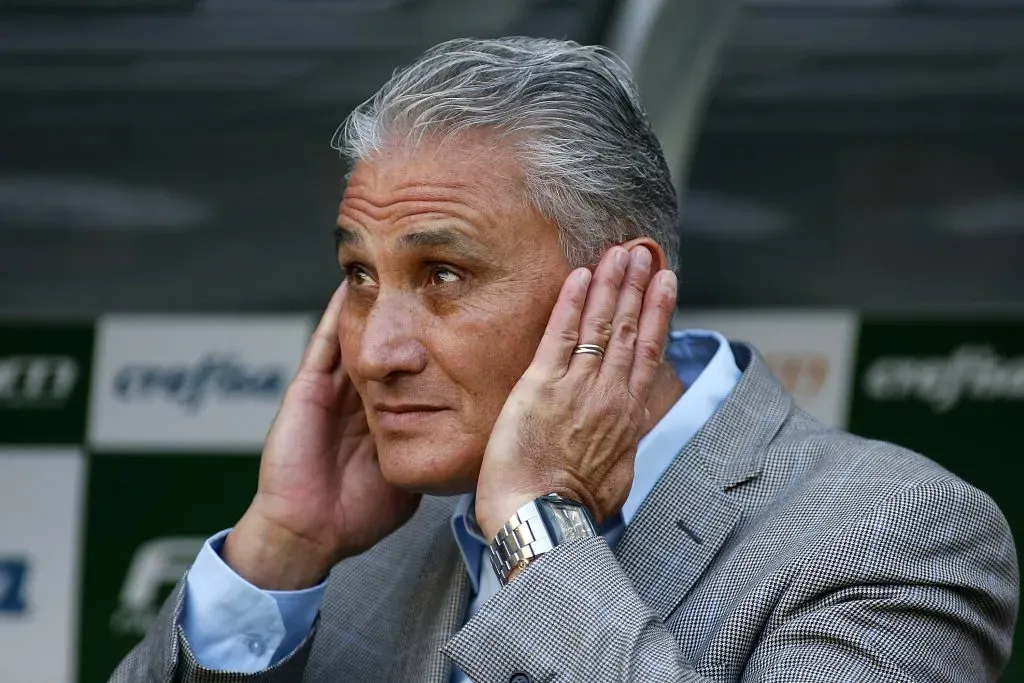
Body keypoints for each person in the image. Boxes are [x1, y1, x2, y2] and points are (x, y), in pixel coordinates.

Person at [110, 37, 1018, 683]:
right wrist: (283, 549)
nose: (376, 350)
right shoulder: (360, 544)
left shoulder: (895, 532)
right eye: (358, 273)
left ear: (626, 288)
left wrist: (535, 538)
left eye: (443, 273)